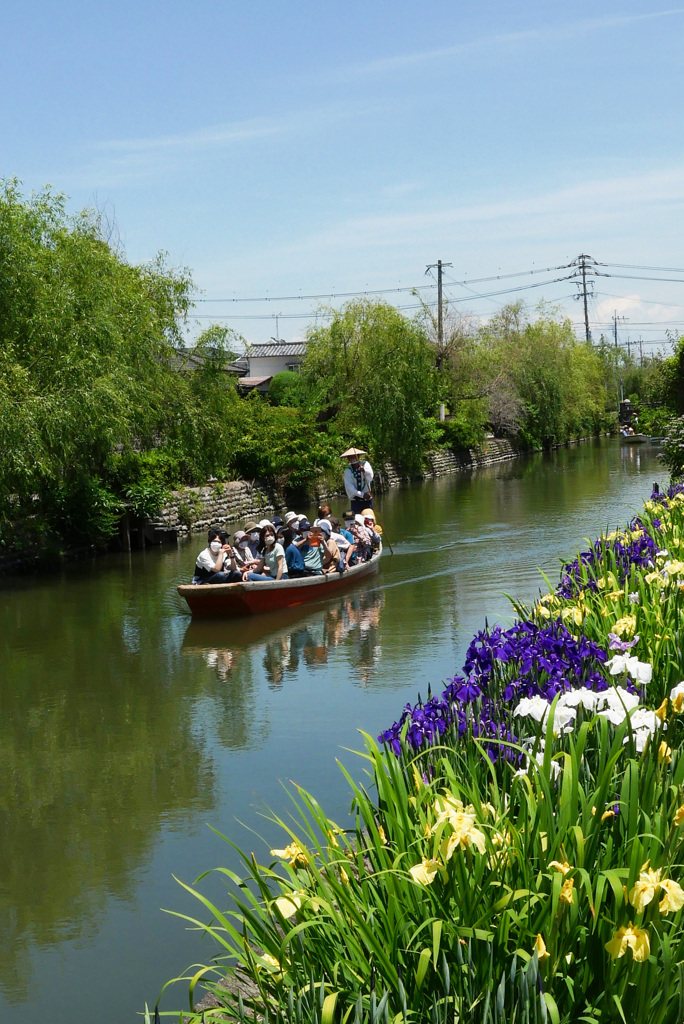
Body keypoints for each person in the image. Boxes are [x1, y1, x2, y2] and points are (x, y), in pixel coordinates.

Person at [342, 447, 374, 515]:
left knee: (369, 519)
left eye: (355, 456)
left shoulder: (365, 464)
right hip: (356, 501)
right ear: (348, 459)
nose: (353, 458)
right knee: (357, 520)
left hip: (367, 500)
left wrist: (364, 471)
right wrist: (362, 495)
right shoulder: (348, 471)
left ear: (358, 456)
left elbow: (370, 477)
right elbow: (349, 487)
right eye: (350, 457)